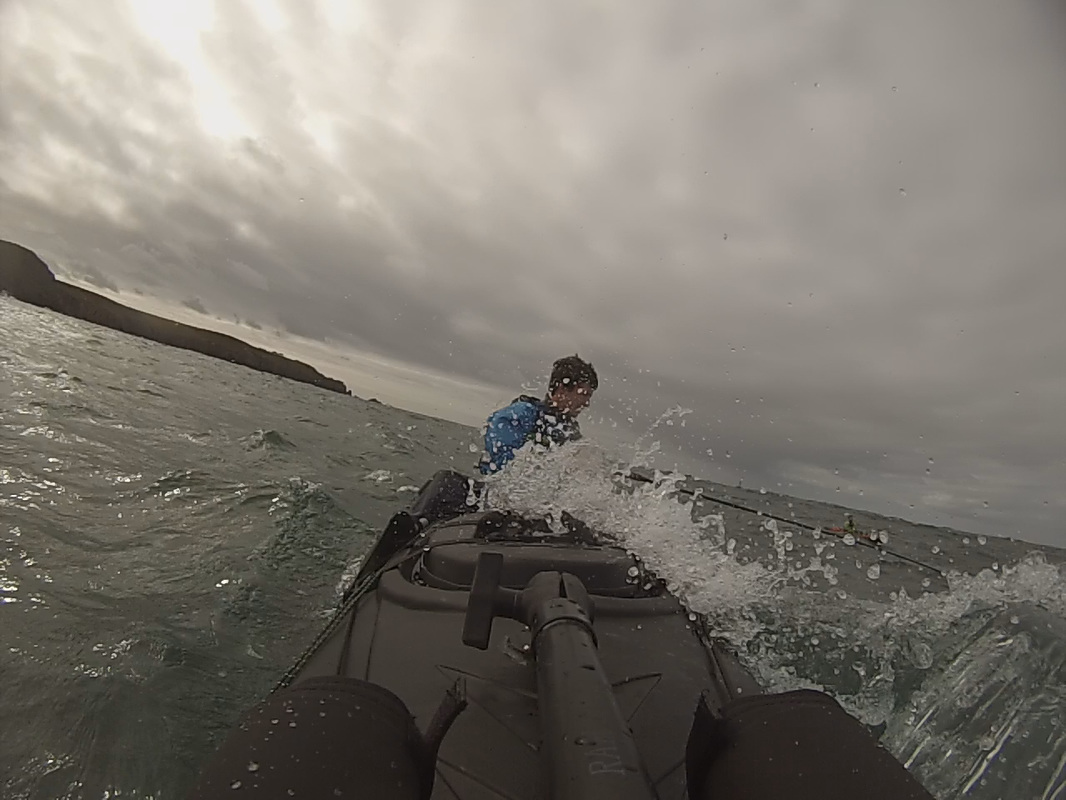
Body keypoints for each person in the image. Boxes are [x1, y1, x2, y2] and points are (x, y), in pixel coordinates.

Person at [478, 354, 598, 475]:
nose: (587, 403)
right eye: (584, 394)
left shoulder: (571, 433)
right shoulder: (523, 414)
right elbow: (500, 465)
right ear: (562, 389)